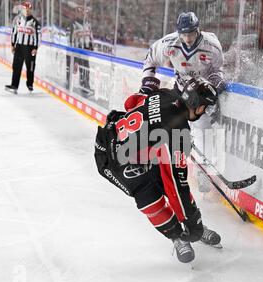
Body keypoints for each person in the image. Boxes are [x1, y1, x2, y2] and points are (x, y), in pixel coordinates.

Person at [94, 77, 222, 264]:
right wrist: (193, 222)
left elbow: (131, 102)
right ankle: (178, 236)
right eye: (204, 107)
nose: (203, 113)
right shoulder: (178, 132)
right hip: (112, 159)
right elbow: (177, 186)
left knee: (161, 178)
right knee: (150, 197)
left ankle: (189, 226)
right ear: (195, 103)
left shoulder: (166, 94)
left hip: (120, 140)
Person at [141, 12, 225, 192]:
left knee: (203, 133)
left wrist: (217, 81)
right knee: (170, 130)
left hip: (200, 95)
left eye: (191, 33)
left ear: (198, 29)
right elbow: (149, 59)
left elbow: (217, 70)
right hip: (180, 90)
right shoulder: (168, 43)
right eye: (183, 34)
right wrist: (147, 82)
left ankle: (204, 174)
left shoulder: (212, 46)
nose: (187, 38)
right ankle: (167, 169)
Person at [5, 1, 41, 94]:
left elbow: (38, 36)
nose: (27, 10)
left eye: (29, 8)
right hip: (19, 47)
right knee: (16, 66)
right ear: (22, 9)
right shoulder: (18, 20)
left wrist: (35, 48)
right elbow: (14, 32)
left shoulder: (35, 22)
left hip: (30, 48)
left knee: (30, 67)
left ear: (31, 10)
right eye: (25, 8)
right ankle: (14, 85)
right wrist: (13, 45)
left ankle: (30, 83)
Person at [66, 5, 94, 94]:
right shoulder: (72, 24)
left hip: (84, 50)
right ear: (76, 13)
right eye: (80, 11)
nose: (83, 13)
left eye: (84, 12)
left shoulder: (88, 24)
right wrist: (72, 53)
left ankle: (85, 87)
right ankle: (68, 85)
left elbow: (90, 36)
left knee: (85, 69)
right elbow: (69, 39)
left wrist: (91, 47)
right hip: (74, 51)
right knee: (71, 69)